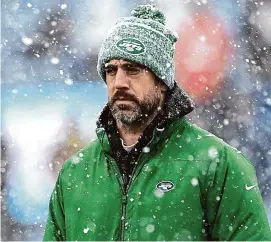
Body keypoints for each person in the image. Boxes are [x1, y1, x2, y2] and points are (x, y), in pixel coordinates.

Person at [43, 4, 271, 241]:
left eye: (132, 70)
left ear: (162, 81)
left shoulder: (217, 164)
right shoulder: (75, 173)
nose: (119, 82)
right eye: (111, 70)